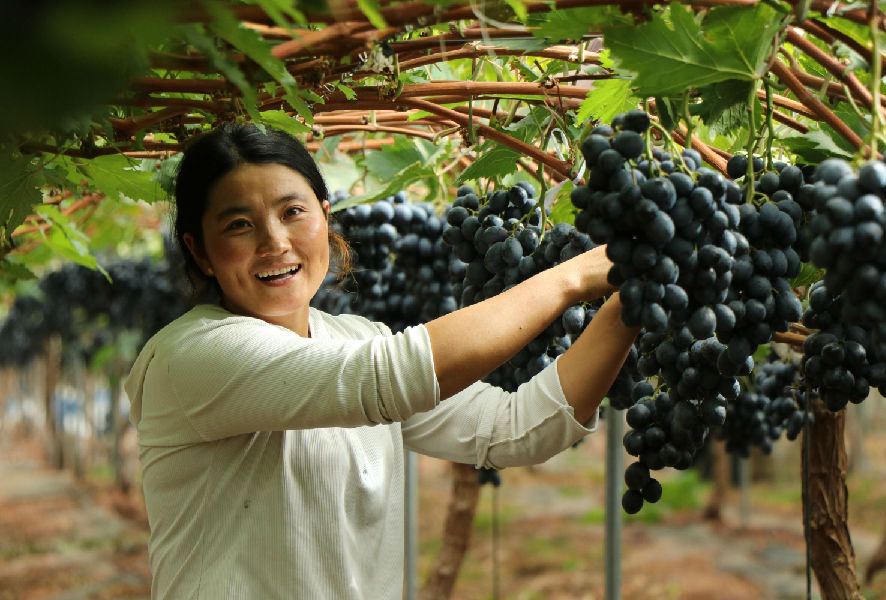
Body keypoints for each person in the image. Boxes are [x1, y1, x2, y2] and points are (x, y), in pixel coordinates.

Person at [124, 123, 639, 599]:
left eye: (292, 212)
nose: (275, 242)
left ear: (326, 217)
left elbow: (513, 429)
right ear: (200, 251)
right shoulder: (190, 356)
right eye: (239, 224)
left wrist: (629, 303)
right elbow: (387, 377)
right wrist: (569, 279)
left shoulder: (354, 338)